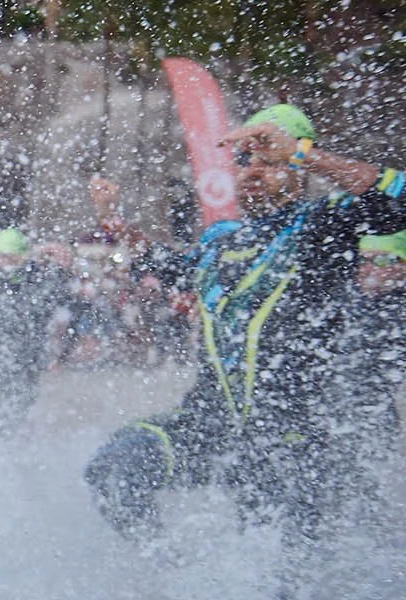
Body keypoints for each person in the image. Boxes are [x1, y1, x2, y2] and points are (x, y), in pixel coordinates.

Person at [84, 105, 405, 538]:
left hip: (293, 441)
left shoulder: (325, 223)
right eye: (245, 161)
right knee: (113, 471)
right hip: (211, 427)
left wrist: (305, 153)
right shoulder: (222, 240)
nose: (253, 170)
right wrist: (113, 221)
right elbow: (166, 265)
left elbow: (398, 201)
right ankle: (169, 578)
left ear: (296, 167)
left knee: (278, 562)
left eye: (268, 161)